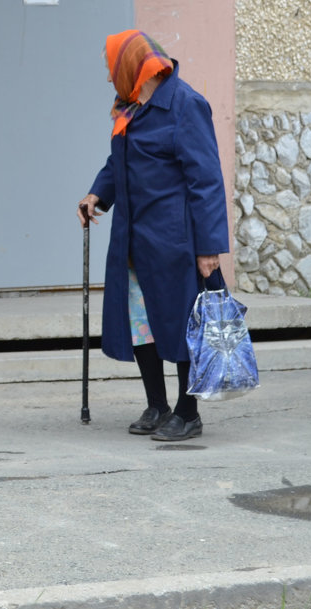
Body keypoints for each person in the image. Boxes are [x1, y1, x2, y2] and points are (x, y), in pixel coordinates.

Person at [76, 29, 230, 441]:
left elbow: (207, 180)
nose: (109, 77)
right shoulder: (130, 107)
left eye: (111, 68)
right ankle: (157, 404)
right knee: (140, 322)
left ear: (130, 67)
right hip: (133, 237)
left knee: (180, 324)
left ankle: (188, 412)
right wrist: (97, 194)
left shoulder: (186, 105)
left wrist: (209, 247)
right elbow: (119, 161)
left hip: (173, 240)